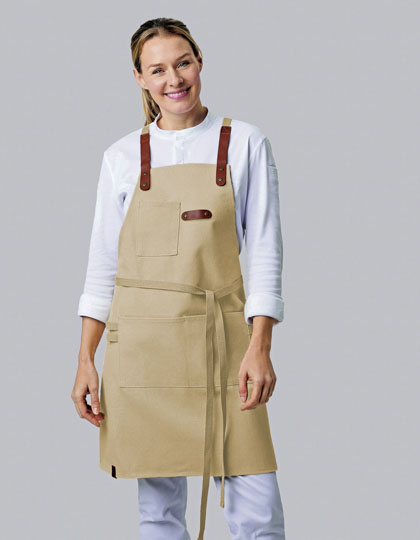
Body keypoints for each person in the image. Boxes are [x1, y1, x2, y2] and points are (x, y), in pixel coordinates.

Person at [71, 17, 286, 540]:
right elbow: (103, 267)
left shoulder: (245, 142)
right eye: (158, 69)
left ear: (200, 61)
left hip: (225, 346)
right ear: (140, 78)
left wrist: (260, 347)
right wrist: (85, 361)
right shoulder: (122, 157)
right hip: (145, 351)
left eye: (183, 63)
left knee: (258, 516)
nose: (174, 79)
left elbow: (264, 253)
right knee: (159, 514)